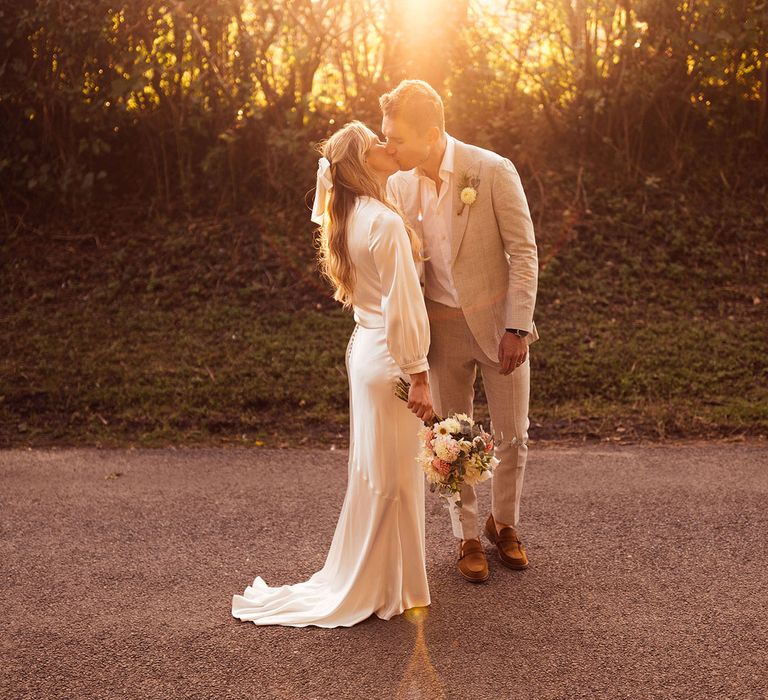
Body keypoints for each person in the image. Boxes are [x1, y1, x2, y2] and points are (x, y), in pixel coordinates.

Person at [231, 121, 435, 627]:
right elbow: (404, 307)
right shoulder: (383, 224)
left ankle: (395, 580)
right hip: (389, 354)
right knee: (395, 477)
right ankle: (392, 586)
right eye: (376, 145)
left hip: (365, 349)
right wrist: (421, 374)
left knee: (378, 472)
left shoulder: (351, 216)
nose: (388, 147)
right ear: (362, 165)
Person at [382, 80, 539, 583]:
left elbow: (524, 253)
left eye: (397, 139)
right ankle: (467, 536)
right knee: (451, 439)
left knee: (512, 436)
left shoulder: (491, 170)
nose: (390, 148)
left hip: (499, 328)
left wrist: (517, 326)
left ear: (431, 134)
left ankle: (505, 525)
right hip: (440, 330)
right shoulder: (400, 184)